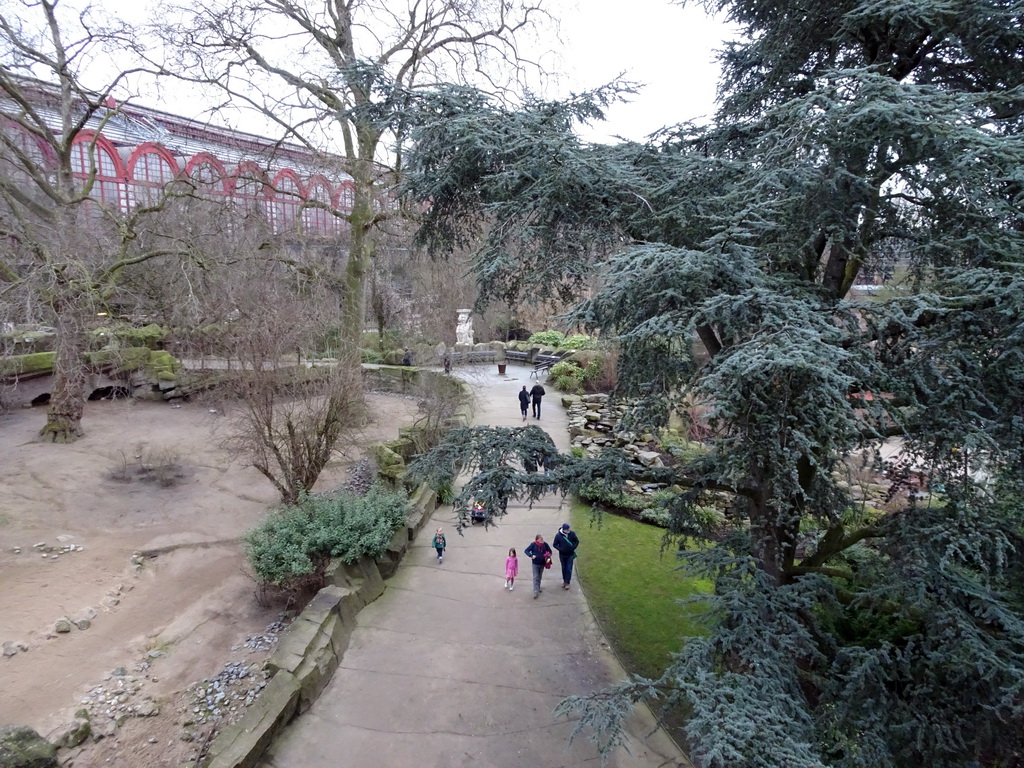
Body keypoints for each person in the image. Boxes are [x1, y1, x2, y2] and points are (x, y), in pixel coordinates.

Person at [524, 534, 553, 599]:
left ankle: (538, 587)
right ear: (537, 540)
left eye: (542, 539)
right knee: (535, 576)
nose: (542, 540)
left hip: (542, 563)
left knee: (539, 576)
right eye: (541, 539)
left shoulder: (545, 544)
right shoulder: (533, 544)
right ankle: (535, 590)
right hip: (535, 563)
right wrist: (531, 555)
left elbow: (550, 551)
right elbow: (526, 550)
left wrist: (548, 555)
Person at [552, 522, 580, 590]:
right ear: (563, 529)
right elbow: (555, 544)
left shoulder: (572, 534)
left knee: (569, 569)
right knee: (564, 568)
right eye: (567, 529)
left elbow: (576, 541)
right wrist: (560, 549)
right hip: (562, 555)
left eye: (568, 529)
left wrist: (573, 547)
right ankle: (565, 581)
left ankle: (567, 582)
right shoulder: (558, 536)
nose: (568, 530)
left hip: (570, 554)